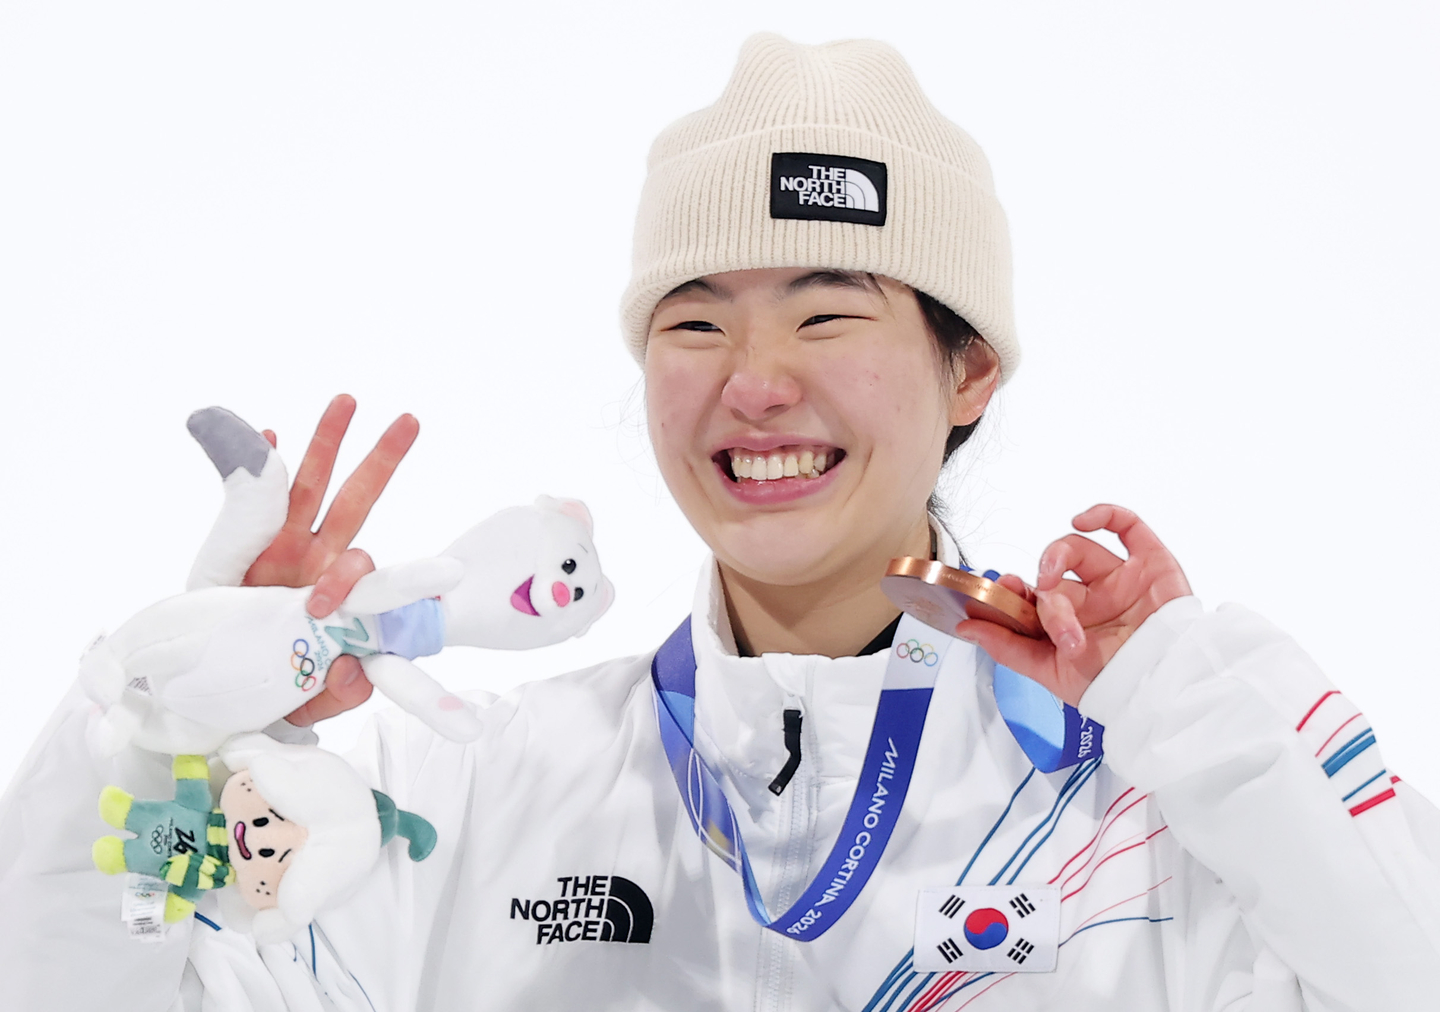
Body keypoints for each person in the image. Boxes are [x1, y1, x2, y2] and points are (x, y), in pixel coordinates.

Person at [3, 33, 1438, 1011]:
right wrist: (155, 733)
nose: (755, 384)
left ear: (970, 370)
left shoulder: (1163, 781)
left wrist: (1183, 705)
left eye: (829, 309)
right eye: (696, 321)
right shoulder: (471, 799)